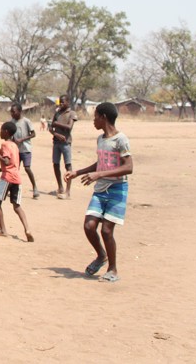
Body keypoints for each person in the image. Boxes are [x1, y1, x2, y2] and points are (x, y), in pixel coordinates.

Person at [65, 102, 132, 283]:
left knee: (107, 231)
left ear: (103, 117)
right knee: (89, 226)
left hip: (117, 189)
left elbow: (128, 167)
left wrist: (99, 174)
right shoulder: (101, 139)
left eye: (95, 117)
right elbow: (101, 163)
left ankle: (113, 269)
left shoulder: (121, 140)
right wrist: (78, 172)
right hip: (100, 189)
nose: (93, 121)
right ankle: (101, 255)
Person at [0, 121, 33, 242]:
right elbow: (13, 164)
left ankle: (3, 230)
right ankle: (27, 229)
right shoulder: (15, 146)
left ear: (6, 132)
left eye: (1, 130)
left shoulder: (5, 145)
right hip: (17, 178)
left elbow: (7, 162)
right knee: (17, 206)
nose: (0, 132)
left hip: (7, 178)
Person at [50, 95, 78, 199]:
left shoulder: (72, 113)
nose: (61, 104)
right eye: (60, 102)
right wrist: (56, 134)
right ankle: (60, 187)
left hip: (66, 142)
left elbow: (69, 127)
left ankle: (68, 191)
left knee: (68, 165)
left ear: (68, 102)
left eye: (63, 102)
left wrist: (56, 124)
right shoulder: (57, 113)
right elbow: (50, 127)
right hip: (56, 142)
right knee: (55, 164)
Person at [10, 103, 40, 199]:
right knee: (15, 169)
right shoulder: (11, 122)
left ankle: (34, 187)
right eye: (11, 112)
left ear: (19, 111)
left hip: (26, 149)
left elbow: (33, 134)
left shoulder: (26, 121)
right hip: (16, 150)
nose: (12, 114)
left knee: (27, 168)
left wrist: (22, 139)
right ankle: (13, 189)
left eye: (14, 112)